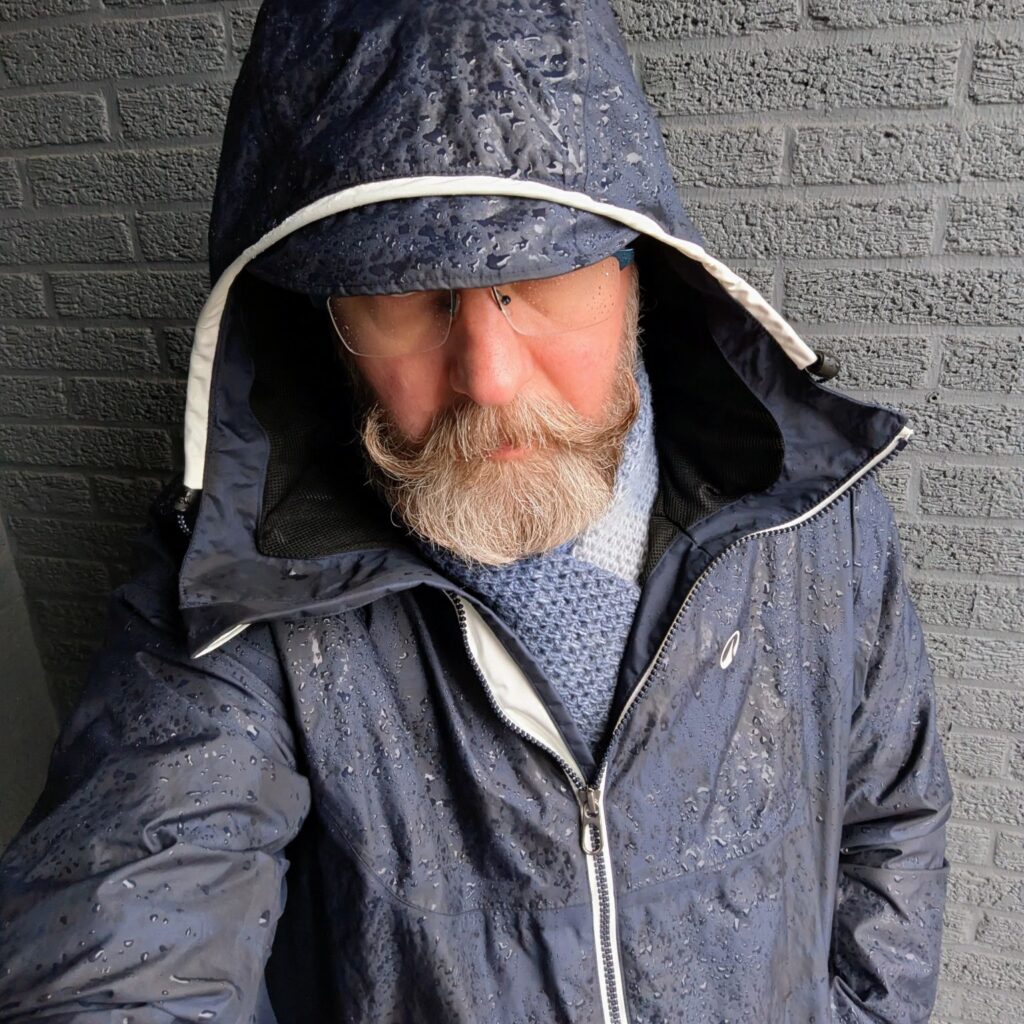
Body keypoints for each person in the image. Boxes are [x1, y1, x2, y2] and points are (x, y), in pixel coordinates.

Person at [0, 2, 953, 1022]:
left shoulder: (813, 514)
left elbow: (887, 824)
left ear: (638, 272)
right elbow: (126, 937)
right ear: (323, 321)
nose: (489, 378)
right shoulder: (234, 600)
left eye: (542, 275)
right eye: (403, 297)